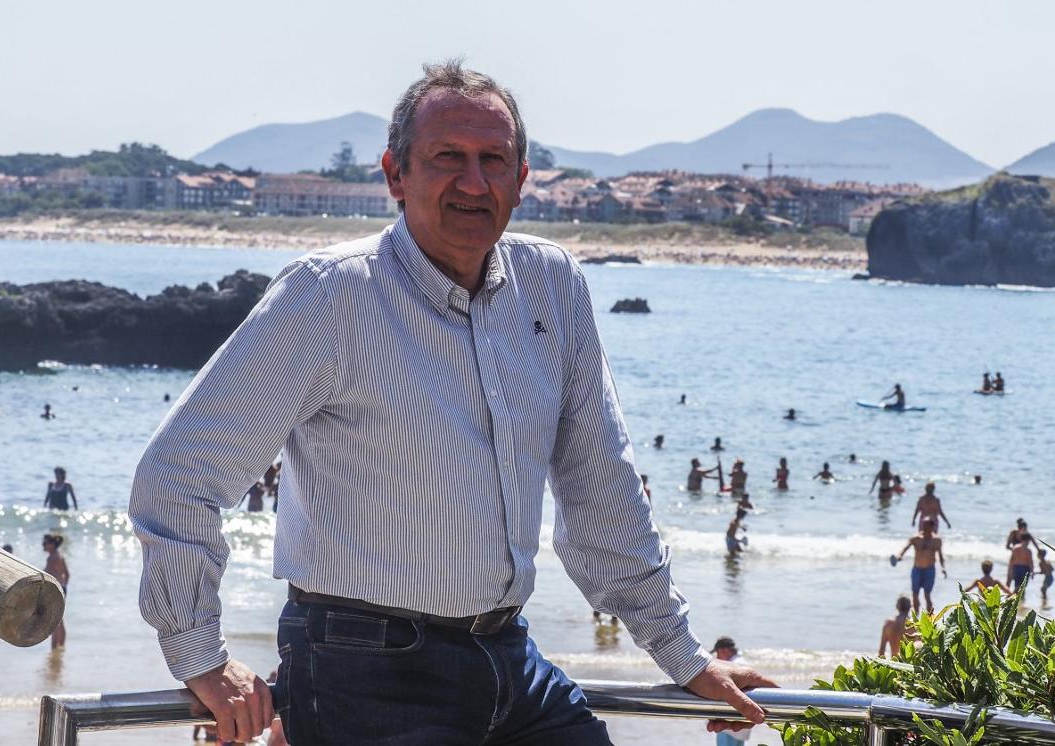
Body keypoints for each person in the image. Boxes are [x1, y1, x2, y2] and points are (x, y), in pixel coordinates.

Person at [128, 62, 771, 745]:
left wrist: (684, 656)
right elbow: (179, 475)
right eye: (448, 158)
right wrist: (201, 655)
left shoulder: (552, 286)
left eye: (494, 160)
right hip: (363, 668)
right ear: (395, 175)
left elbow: (601, 493)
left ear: (522, 181)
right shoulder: (328, 296)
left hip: (511, 661)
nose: (474, 182)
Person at [895, 519, 946, 613]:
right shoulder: (915, 538)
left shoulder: (936, 540)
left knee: (927, 595)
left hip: (930, 571)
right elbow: (904, 548)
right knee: (915, 594)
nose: (923, 527)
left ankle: (930, 620)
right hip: (917, 570)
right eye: (922, 525)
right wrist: (899, 556)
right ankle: (916, 618)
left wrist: (943, 568)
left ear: (932, 527)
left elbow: (940, 555)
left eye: (925, 525)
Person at [711, 637, 752, 744]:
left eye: (717, 653)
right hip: (742, 720)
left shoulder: (730, 666)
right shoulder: (742, 662)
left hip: (728, 721)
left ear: (723, 650)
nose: (717, 657)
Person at [43, 534, 69, 648]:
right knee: (60, 619)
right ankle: (61, 646)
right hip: (62, 588)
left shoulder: (52, 558)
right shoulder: (60, 556)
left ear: (52, 545)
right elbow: (67, 575)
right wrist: (63, 586)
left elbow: (46, 574)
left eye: (45, 543)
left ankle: (54, 649)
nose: (43, 546)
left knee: (54, 620)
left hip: (55, 590)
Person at [1008, 532, 1036, 597]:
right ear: (1028, 540)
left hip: (1016, 568)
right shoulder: (1028, 551)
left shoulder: (1015, 548)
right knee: (1022, 587)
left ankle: (1016, 600)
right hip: (1025, 569)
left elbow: (1011, 561)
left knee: (1017, 586)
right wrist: (1032, 572)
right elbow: (1030, 562)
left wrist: (1010, 571)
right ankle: (1020, 601)